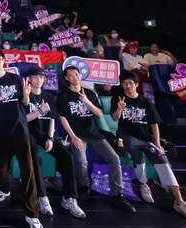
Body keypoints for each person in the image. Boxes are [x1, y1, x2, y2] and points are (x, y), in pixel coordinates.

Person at [111, 73, 186, 221]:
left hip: (146, 139)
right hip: (126, 137)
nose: (128, 86)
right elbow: (115, 118)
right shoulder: (119, 99)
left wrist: (158, 143)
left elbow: (154, 124)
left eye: (131, 83)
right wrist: (119, 108)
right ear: (122, 85)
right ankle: (143, 184)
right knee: (135, 151)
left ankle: (179, 201)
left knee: (162, 160)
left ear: (136, 84)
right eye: (125, 83)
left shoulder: (145, 101)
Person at [0, 49, 44, 228]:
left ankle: (33, 215)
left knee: (28, 170)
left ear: (3, 61)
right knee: (2, 168)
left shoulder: (15, 79)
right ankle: (4, 188)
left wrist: (26, 94)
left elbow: (25, 103)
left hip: (19, 129)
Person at [58, 66, 135, 212]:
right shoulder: (64, 95)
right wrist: (73, 137)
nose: (75, 77)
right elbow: (62, 117)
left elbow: (99, 113)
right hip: (77, 135)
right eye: (71, 75)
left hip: (93, 133)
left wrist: (87, 101)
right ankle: (83, 186)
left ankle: (117, 195)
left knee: (114, 158)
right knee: (81, 160)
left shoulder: (89, 93)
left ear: (80, 75)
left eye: (76, 74)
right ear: (67, 78)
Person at [25, 66, 86, 219]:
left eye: (41, 77)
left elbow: (52, 118)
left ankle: (70, 199)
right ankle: (42, 197)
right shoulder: (25, 95)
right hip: (29, 135)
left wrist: (50, 138)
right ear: (29, 79)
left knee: (66, 155)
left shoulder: (48, 95)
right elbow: (23, 120)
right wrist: (40, 111)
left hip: (46, 135)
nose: (38, 80)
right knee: (35, 157)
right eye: (35, 77)